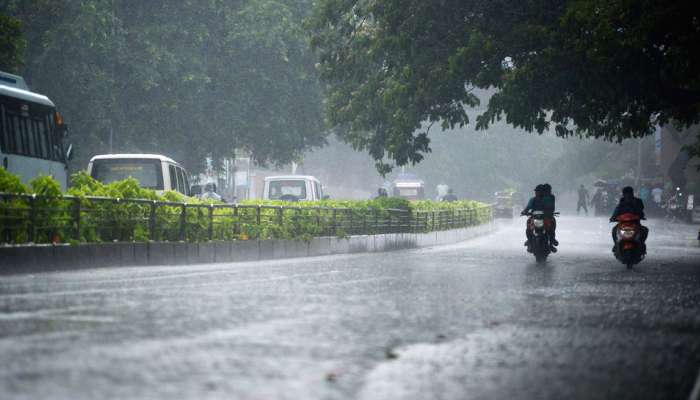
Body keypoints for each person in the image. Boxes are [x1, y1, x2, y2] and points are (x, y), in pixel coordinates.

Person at [610, 186, 648, 253]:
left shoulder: (638, 201)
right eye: (626, 193)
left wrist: (641, 215)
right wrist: (613, 217)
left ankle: (641, 244)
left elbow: (641, 210)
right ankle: (616, 245)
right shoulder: (622, 201)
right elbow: (617, 210)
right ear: (623, 194)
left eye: (629, 193)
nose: (628, 195)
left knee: (644, 230)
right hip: (622, 223)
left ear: (632, 193)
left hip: (635, 223)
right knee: (614, 230)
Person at [521, 185, 558, 252]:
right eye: (537, 191)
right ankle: (529, 240)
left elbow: (551, 207)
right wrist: (524, 212)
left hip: (545, 217)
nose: (537, 193)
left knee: (551, 228)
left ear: (543, 192)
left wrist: (550, 213)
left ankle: (551, 242)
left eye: (539, 191)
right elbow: (527, 207)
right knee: (528, 224)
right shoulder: (532, 199)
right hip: (534, 217)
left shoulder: (547, 199)